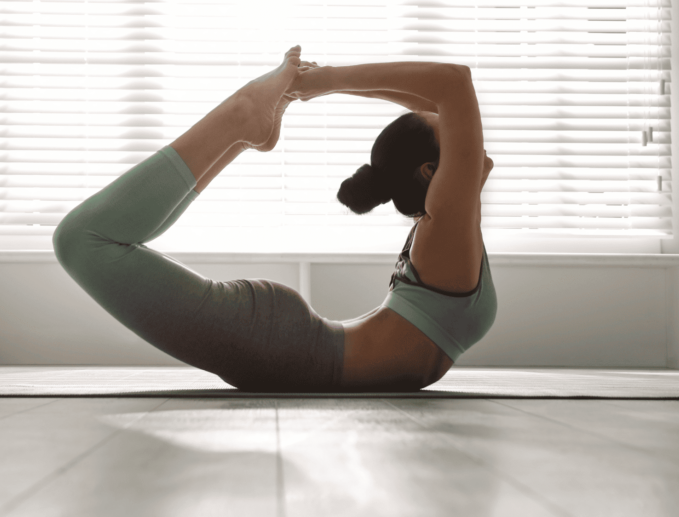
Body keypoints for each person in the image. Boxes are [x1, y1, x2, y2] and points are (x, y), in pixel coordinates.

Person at [52, 45, 496, 392]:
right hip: (285, 344)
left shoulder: (446, 225)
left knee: (84, 240)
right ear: (430, 173)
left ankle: (243, 128)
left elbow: (447, 93)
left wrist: (323, 82)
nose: (463, 137)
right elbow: (451, 88)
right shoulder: (444, 225)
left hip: (286, 344)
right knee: (81, 240)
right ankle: (240, 121)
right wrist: (322, 83)